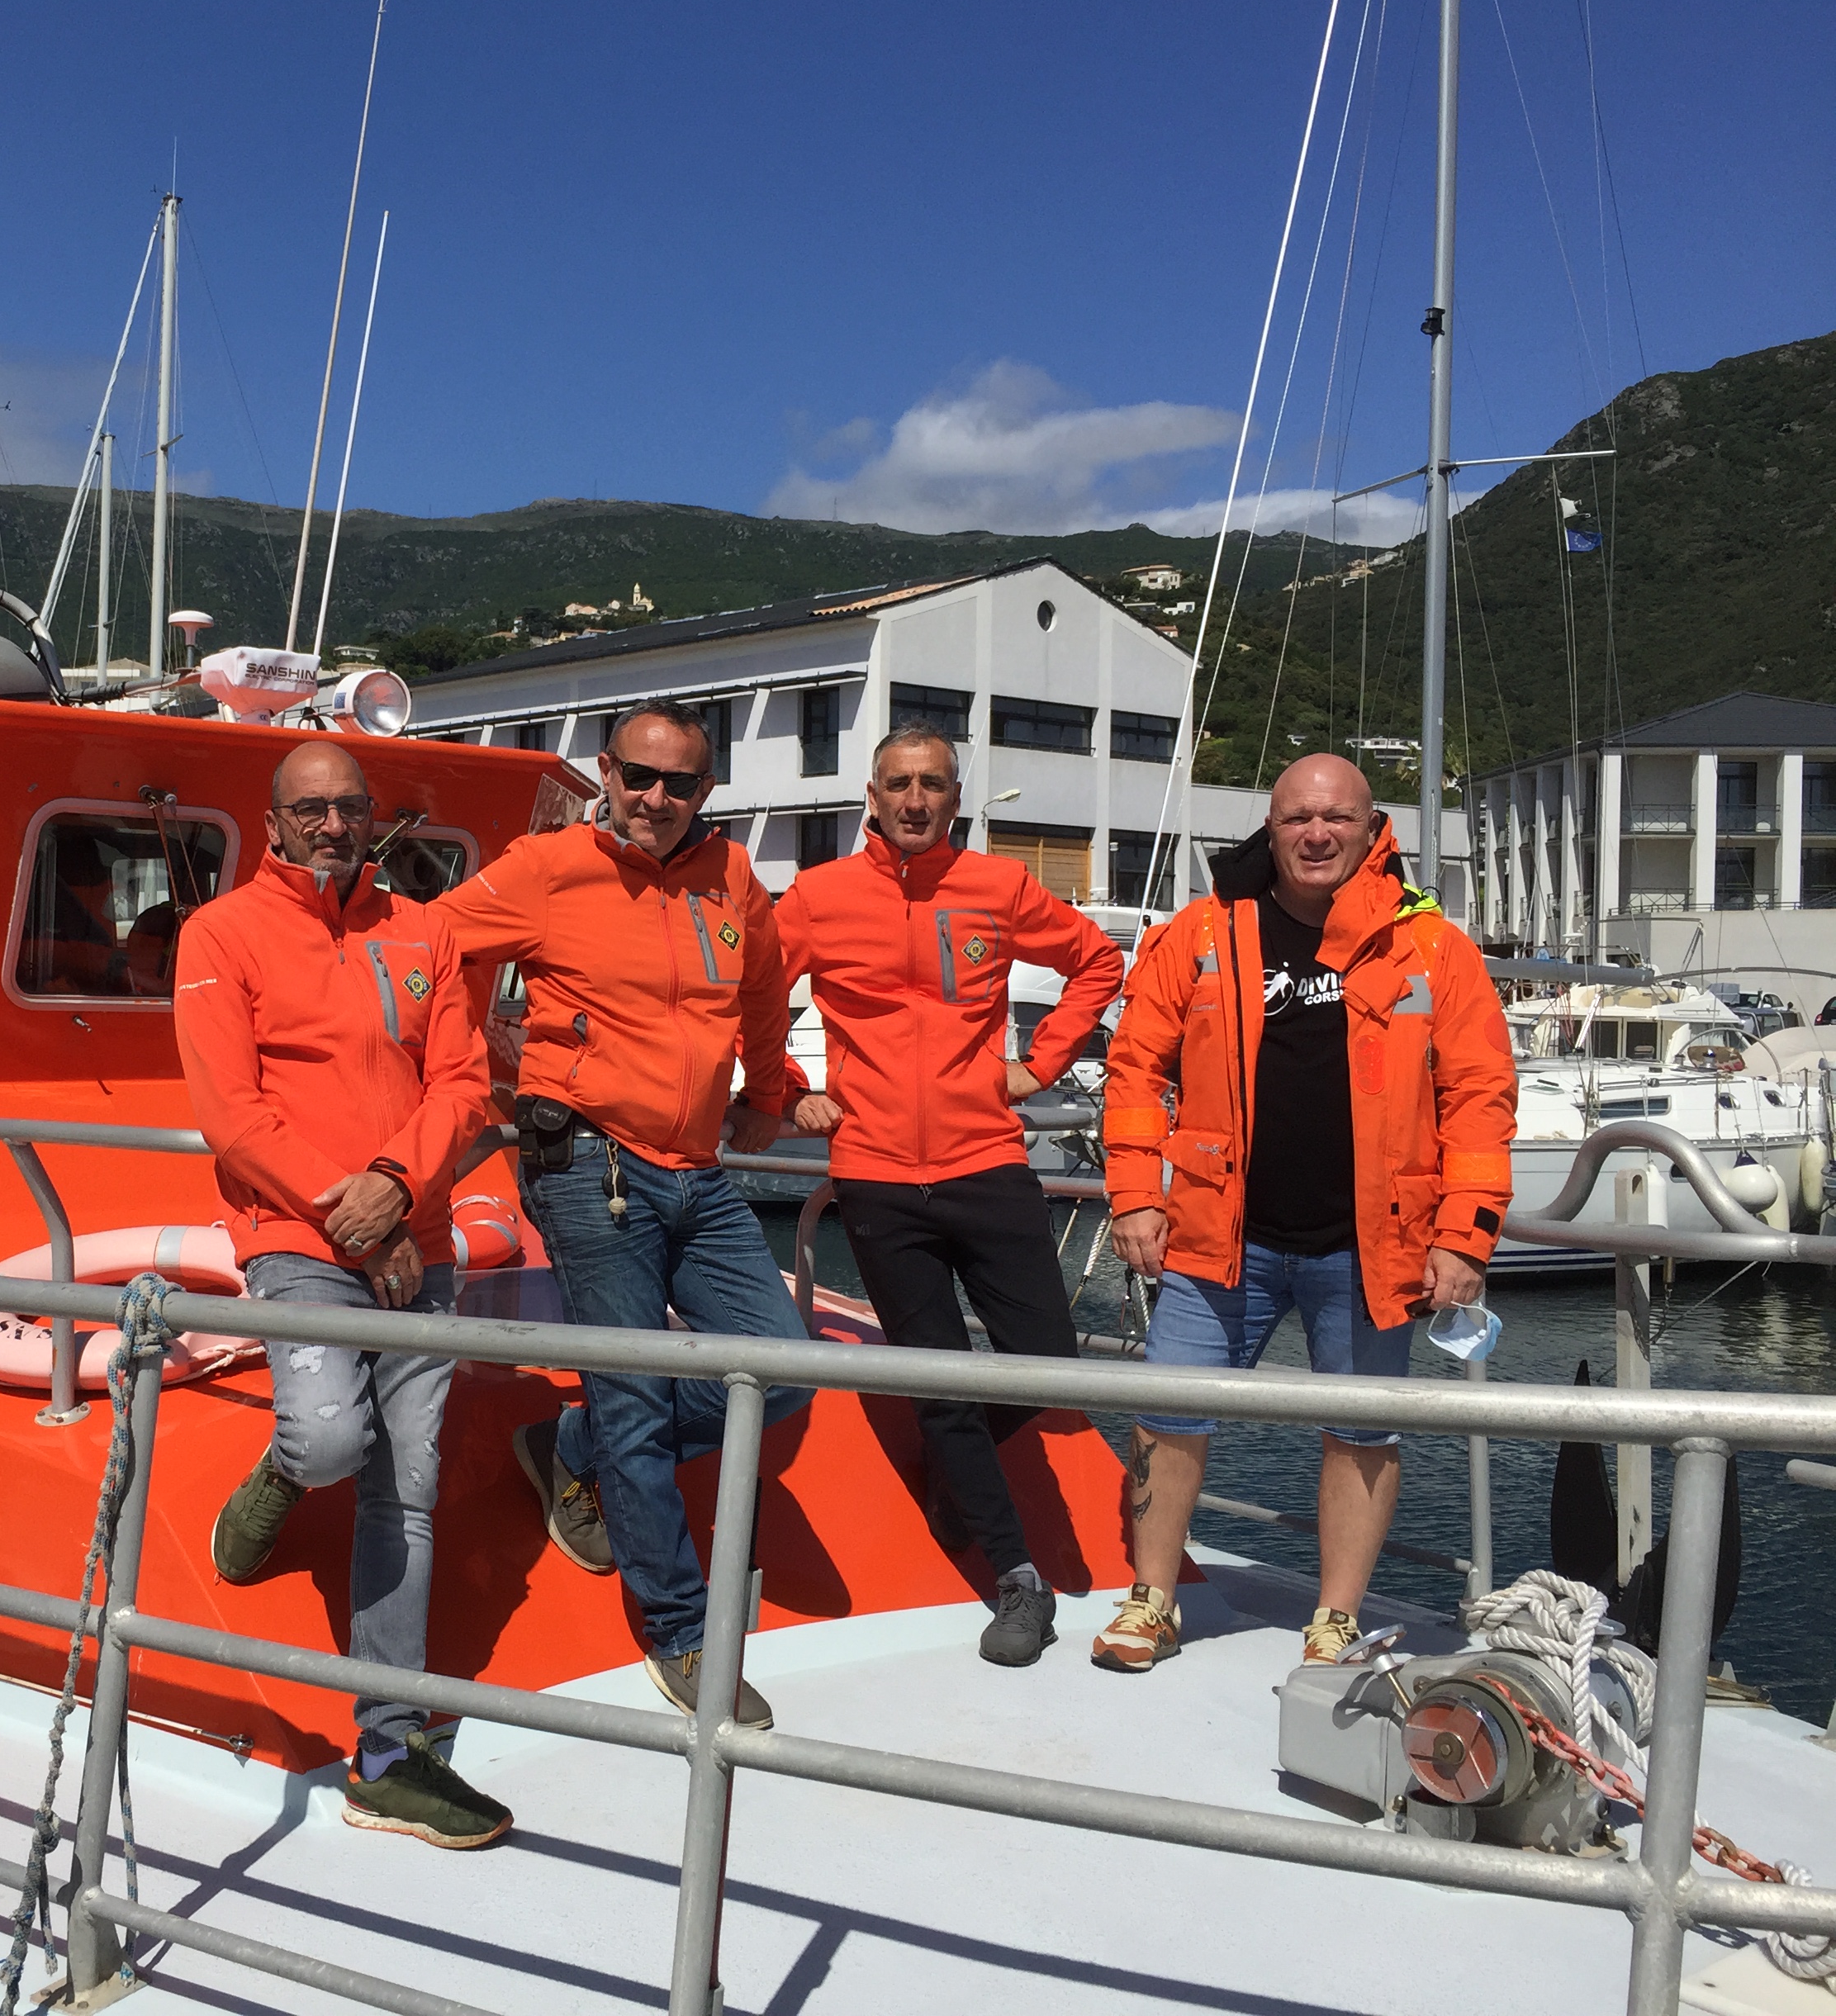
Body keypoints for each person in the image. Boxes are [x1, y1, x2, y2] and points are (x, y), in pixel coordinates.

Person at [1092, 755, 1516, 1673]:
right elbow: (1133, 1072)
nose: (1316, 835)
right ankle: (1152, 1597)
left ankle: (1334, 1621)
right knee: (1170, 1419)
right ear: (1269, 830)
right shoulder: (1202, 935)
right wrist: (1134, 1194)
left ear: (1373, 831)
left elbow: (1480, 1098)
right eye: (1295, 819)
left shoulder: (1433, 948)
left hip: (1372, 1249)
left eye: (1336, 818)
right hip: (1216, 1238)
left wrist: (1464, 1234)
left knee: (1363, 1433)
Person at [440, 700, 812, 1729]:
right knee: (641, 1394)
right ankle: (680, 1632)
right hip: (588, 1165)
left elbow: (766, 990)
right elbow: (436, 953)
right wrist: (472, 1076)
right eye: (638, 777)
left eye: (680, 784)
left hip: (697, 1168)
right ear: (605, 770)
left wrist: (772, 1096)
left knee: (781, 1372)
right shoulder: (544, 867)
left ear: (708, 791)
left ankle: (577, 1441)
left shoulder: (731, 878)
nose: (655, 800)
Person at [171, 741, 510, 1848]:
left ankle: (388, 1748)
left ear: (372, 820)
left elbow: (463, 1084)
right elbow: (231, 1111)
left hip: (414, 1233)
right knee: (326, 1441)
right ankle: (276, 1477)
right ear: (271, 825)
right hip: (299, 1234)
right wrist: (348, 1215)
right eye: (309, 809)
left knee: (403, 1492)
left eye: (349, 808)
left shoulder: (423, 930)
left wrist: (402, 1188)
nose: (331, 825)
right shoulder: (220, 936)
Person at [775, 723, 1123, 1666]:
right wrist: (780, 1089)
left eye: (933, 784)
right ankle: (1016, 1580)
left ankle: (956, 1462)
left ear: (955, 798)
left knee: (1048, 1359)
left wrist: (1039, 1063)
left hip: (986, 1159)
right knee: (936, 1376)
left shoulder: (997, 887)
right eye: (899, 784)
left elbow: (1098, 962)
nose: (916, 800)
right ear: (873, 799)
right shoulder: (819, 897)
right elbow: (748, 995)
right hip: (879, 1177)